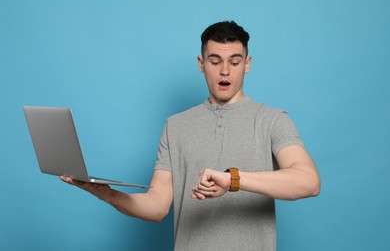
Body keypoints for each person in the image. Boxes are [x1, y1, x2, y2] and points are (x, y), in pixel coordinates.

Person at [61, 21, 320, 251]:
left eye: (235, 62)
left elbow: (308, 181)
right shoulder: (175, 126)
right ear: (201, 64)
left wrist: (233, 180)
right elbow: (157, 205)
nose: (225, 72)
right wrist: (107, 194)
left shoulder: (272, 120)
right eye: (215, 61)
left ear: (247, 65)